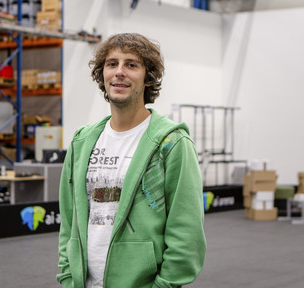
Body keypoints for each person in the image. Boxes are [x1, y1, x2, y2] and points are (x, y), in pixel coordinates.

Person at [57, 33, 206, 288]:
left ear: (147, 77)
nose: (119, 73)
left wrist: (164, 285)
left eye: (131, 64)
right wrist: (68, 276)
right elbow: (68, 221)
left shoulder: (171, 143)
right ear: (102, 75)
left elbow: (187, 230)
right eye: (112, 64)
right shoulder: (82, 142)